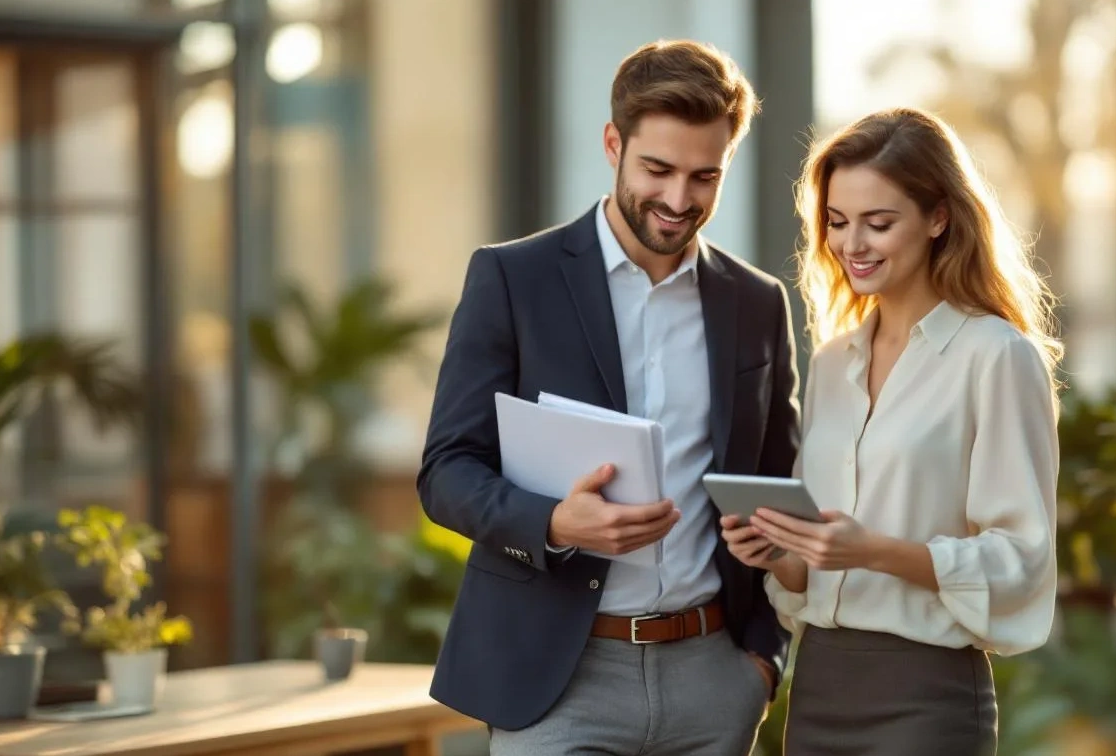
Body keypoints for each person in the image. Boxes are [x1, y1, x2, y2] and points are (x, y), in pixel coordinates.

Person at [417, 39, 799, 756]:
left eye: (703, 176)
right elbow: (446, 472)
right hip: (558, 683)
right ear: (613, 143)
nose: (679, 200)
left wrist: (760, 660)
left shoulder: (757, 303)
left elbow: (777, 481)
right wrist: (557, 521)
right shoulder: (513, 278)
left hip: (713, 679)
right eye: (657, 169)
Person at [721, 107, 1062, 755]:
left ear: (939, 218)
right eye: (838, 222)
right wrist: (781, 554)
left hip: (925, 698)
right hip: (818, 686)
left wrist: (873, 550)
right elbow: (814, 570)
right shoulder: (830, 361)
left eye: (878, 223)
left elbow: (1022, 558)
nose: (852, 245)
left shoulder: (995, 355)